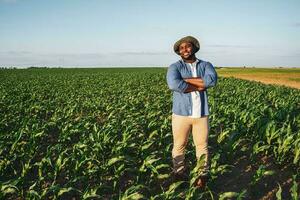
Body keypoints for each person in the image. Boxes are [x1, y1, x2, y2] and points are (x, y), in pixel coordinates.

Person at [166, 36, 218, 188]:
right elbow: (173, 84)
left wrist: (186, 80)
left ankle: (202, 177)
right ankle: (179, 174)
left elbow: (211, 81)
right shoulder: (175, 67)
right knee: (179, 146)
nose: (184, 50)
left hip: (201, 114)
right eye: (181, 48)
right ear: (178, 52)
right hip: (181, 114)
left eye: (187, 47)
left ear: (194, 47)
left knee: (202, 146)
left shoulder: (206, 65)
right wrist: (200, 84)